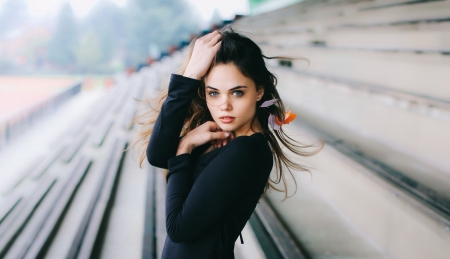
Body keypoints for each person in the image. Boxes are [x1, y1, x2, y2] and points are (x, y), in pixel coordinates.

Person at [132, 27, 323, 259]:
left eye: (237, 93)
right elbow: (158, 155)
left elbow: (178, 229)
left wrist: (184, 149)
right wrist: (190, 76)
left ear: (258, 91)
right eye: (214, 93)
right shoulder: (221, 137)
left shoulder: (246, 150)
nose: (224, 105)